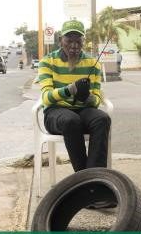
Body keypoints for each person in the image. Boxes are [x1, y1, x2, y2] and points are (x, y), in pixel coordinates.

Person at [38, 20, 111, 173]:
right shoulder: (47, 62)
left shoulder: (93, 64)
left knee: (102, 119)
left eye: (78, 40)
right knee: (71, 120)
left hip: (82, 111)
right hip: (55, 113)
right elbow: (46, 98)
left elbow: (96, 100)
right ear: (60, 40)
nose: (73, 45)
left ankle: (93, 178)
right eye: (69, 40)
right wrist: (70, 89)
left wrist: (87, 97)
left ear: (83, 41)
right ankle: (85, 178)